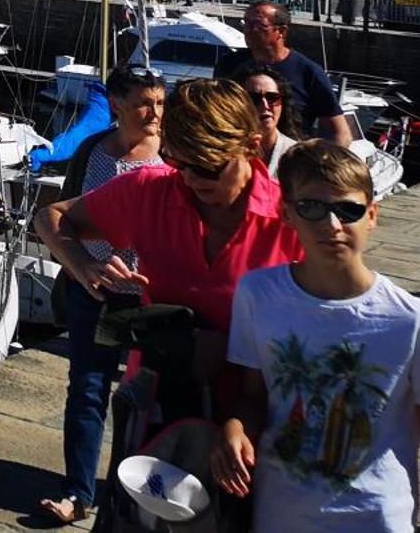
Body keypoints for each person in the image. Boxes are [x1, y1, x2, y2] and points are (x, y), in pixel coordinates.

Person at [214, 143, 420, 532]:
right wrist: (234, 428)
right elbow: (253, 396)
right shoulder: (257, 295)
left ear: (373, 215)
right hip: (280, 516)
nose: (331, 224)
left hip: (376, 520)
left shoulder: (413, 320)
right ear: (287, 214)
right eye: (312, 207)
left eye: (348, 210)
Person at [37, 78, 303, 413]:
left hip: (254, 417)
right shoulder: (152, 190)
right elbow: (52, 217)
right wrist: (82, 265)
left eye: (207, 167)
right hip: (154, 411)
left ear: (251, 147)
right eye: (179, 162)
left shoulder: (292, 220)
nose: (191, 178)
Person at [35, 66, 168, 526]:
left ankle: (137, 492)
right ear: (116, 105)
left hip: (151, 299)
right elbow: (60, 219)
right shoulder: (93, 152)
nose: (153, 113)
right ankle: (78, 492)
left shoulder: (172, 155)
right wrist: (81, 268)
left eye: (159, 103)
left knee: (147, 399)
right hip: (92, 292)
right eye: (143, 104)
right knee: (87, 391)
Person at [214, 0, 350, 146]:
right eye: (246, 23)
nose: (249, 30)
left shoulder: (308, 71)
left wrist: (320, 163)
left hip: (287, 159)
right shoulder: (228, 64)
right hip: (239, 156)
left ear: (281, 31)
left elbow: (341, 133)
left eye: (258, 25)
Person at [234, 60, 304, 176]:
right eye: (254, 98)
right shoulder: (226, 154)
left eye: (272, 97)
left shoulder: (299, 156)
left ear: (283, 104)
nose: (265, 106)